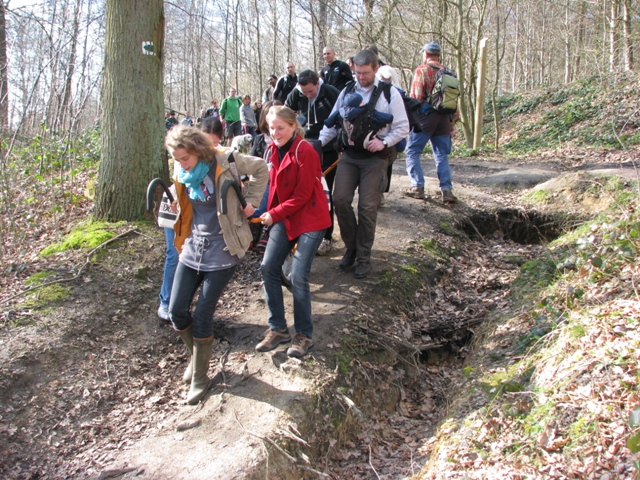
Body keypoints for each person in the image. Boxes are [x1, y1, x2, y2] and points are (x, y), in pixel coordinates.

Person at [166, 125, 268, 405]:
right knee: (176, 311)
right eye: (177, 159)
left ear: (198, 151)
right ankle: (198, 359)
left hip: (224, 246)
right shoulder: (181, 170)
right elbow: (180, 196)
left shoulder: (225, 160)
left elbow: (261, 168)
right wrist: (174, 203)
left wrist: (251, 203)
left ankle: (201, 378)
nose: (181, 164)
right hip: (192, 245)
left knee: (202, 315)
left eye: (185, 158)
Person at [318, 49, 409, 279]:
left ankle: (364, 257)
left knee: (367, 208)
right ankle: (352, 248)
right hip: (349, 156)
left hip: (375, 159)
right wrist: (316, 144)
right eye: (357, 72)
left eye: (365, 73)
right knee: (340, 200)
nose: (361, 77)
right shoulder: (347, 90)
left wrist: (385, 142)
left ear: (376, 68)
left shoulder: (390, 93)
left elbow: (402, 127)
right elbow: (332, 123)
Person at [255, 106, 331, 357]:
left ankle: (304, 334)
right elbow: (273, 190)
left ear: (292, 126)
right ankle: (277, 328)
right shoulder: (271, 150)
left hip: (310, 218)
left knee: (298, 275)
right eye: (271, 128)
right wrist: (258, 212)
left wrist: (274, 214)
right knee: (268, 267)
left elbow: (302, 195)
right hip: (285, 218)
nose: (275, 133)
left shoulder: (305, 151)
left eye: (280, 128)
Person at [285, 70, 340, 256]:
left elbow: (340, 120)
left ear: (318, 83)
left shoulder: (331, 93)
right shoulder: (296, 94)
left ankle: (326, 237)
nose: (308, 95)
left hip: (327, 148)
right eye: (304, 92)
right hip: (302, 146)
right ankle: (303, 232)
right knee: (301, 191)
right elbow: (286, 113)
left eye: (311, 91)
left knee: (323, 191)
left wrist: (325, 142)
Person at [404, 41, 457, 203]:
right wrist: (452, 123)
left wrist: (410, 119)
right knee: (441, 154)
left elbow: (416, 98)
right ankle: (446, 190)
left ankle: (417, 187)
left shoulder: (422, 70)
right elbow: (454, 102)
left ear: (426, 54)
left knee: (412, 150)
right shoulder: (448, 73)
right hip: (444, 118)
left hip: (426, 116)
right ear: (438, 55)